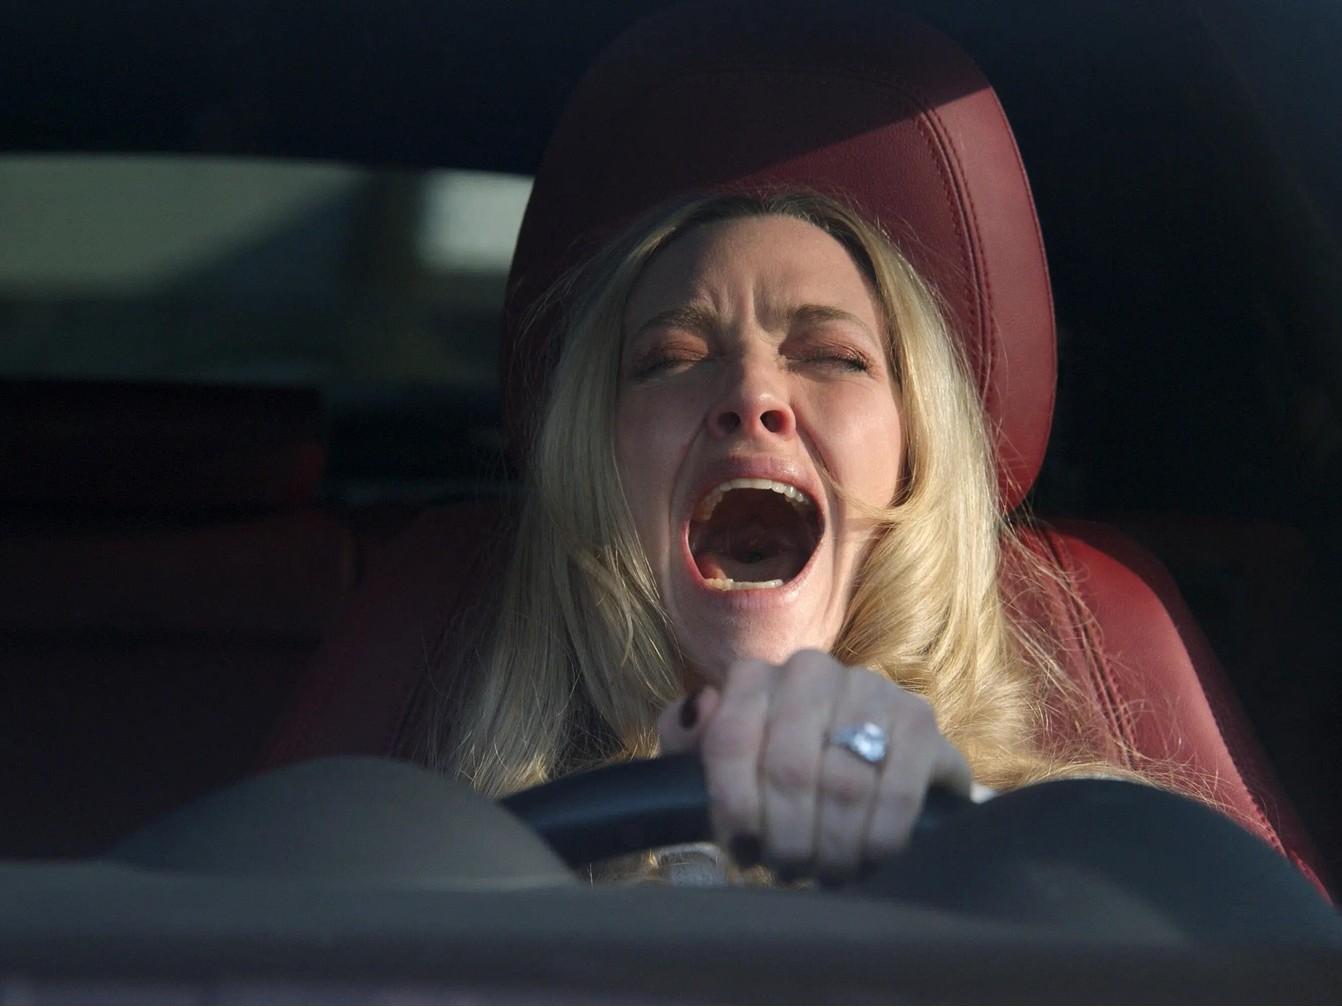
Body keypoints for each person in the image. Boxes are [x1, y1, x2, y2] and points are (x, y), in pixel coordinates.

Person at [410, 190, 1338, 932]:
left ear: (912, 461)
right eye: (674, 358)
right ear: (596, 467)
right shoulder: (437, 869)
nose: (753, 393)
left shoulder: (1096, 848)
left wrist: (972, 855)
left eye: (830, 355)